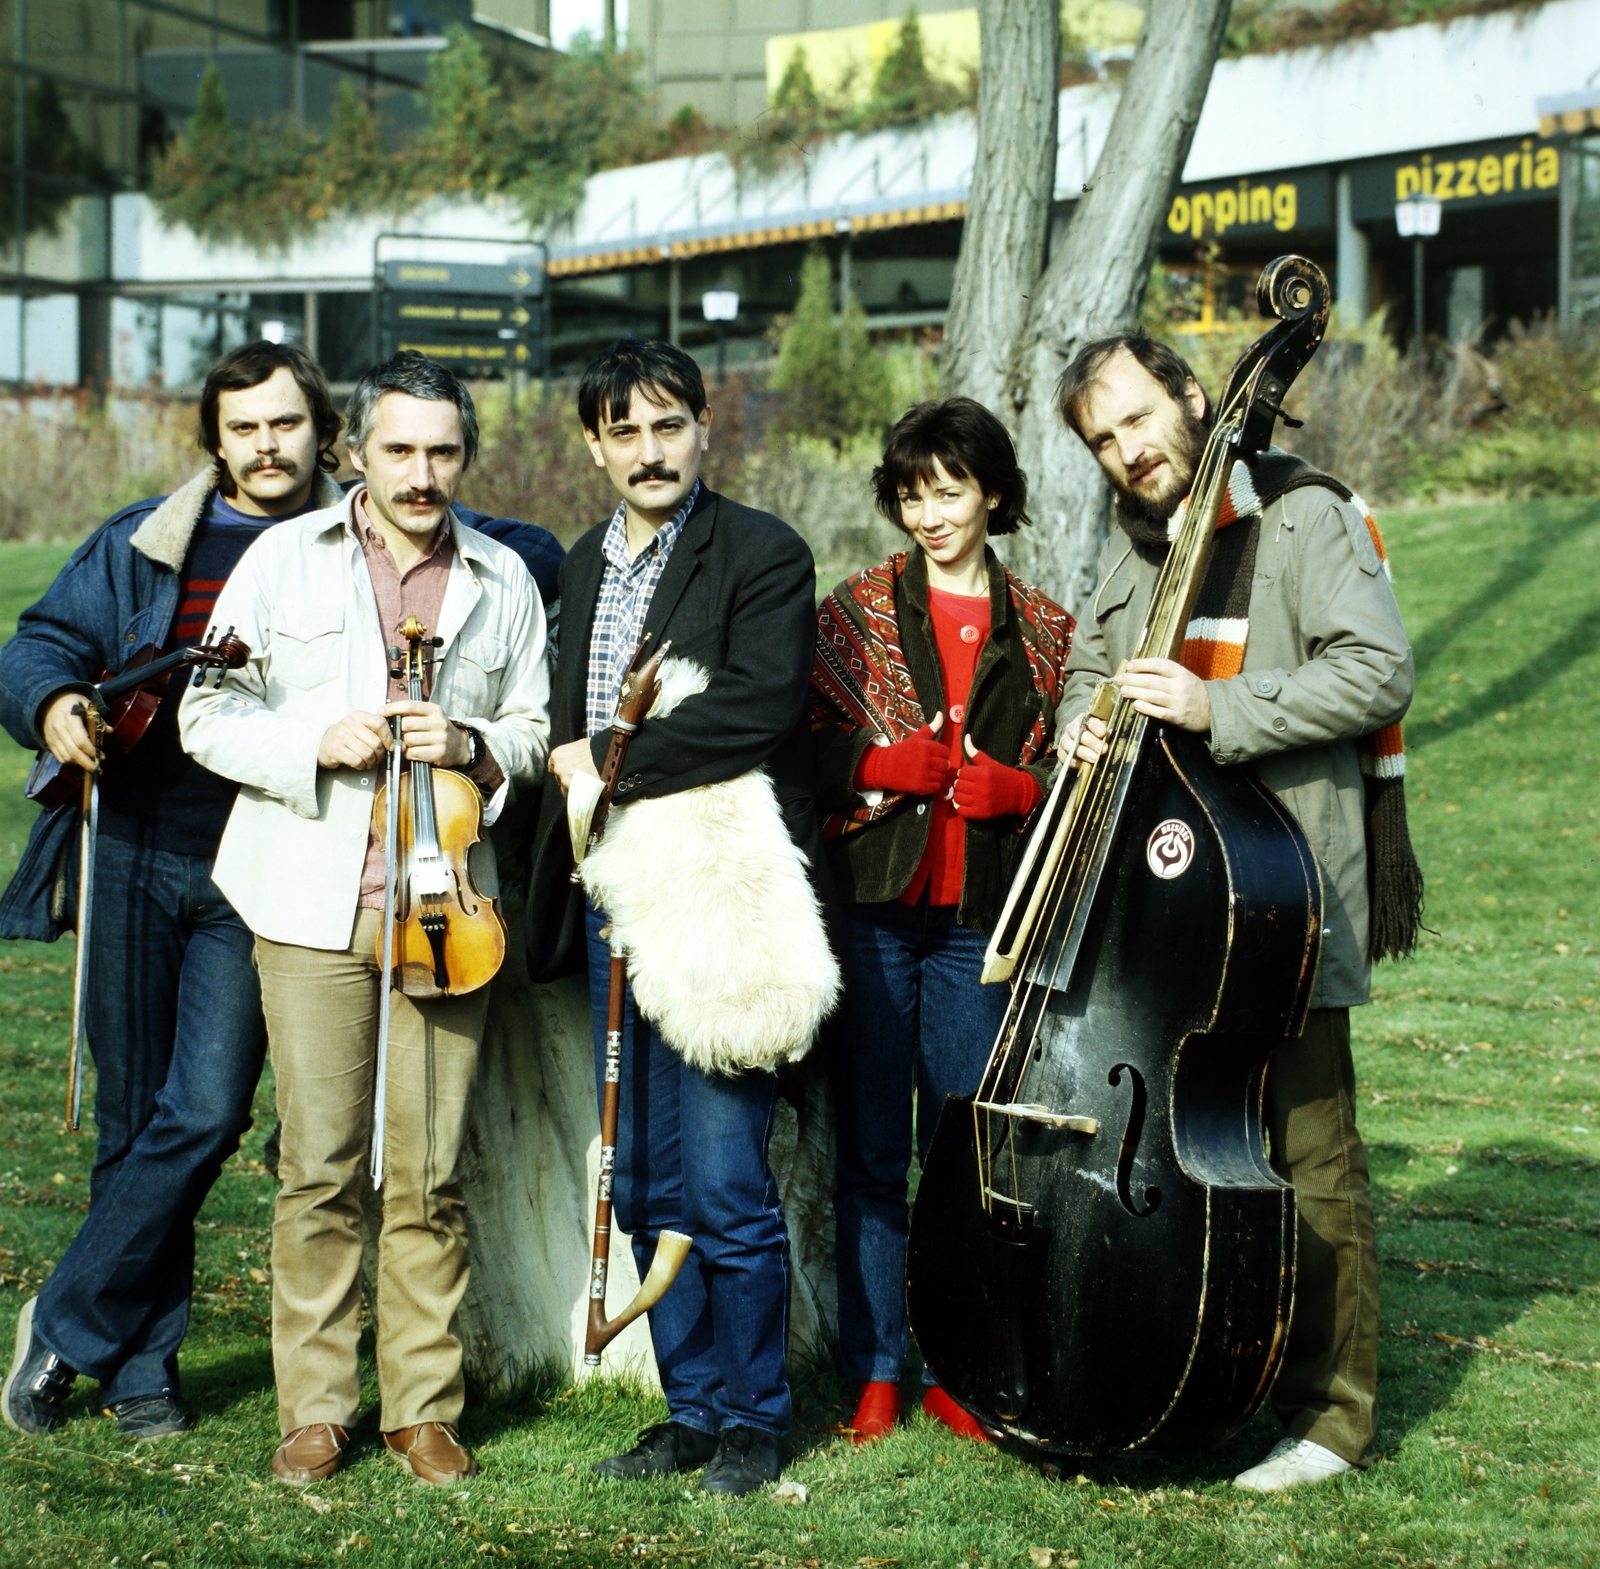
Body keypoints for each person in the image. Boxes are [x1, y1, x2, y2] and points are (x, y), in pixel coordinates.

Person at [1054, 330, 1418, 1493]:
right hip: (1162, 905)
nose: (1124, 451)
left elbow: (1376, 671)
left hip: (1280, 894)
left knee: (1311, 1157)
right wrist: (1081, 722)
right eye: (1101, 439)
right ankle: (1220, 1374)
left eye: (1136, 419)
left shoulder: (1302, 514)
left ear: (1192, 397)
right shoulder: (1129, 552)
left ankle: (1332, 1420)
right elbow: (1084, 672)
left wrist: (1219, 706)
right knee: (1200, 1155)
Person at [179, 352, 550, 1488]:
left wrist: (479, 748)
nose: (422, 471)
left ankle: (423, 1407)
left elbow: (533, 725)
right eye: (400, 448)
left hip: (448, 910)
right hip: (308, 900)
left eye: (443, 450)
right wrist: (311, 743)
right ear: (357, 452)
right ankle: (318, 1408)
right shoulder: (284, 561)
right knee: (320, 1168)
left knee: (430, 1173)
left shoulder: (504, 574)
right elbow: (207, 710)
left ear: (465, 455)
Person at [0, 340, 347, 1442]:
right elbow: (40, 642)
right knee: (129, 1115)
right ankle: (142, 1366)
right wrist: (54, 700)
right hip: (135, 850)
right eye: (243, 427)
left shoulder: (352, 541)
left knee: (202, 1113)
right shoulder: (147, 541)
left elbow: (485, 549)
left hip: (265, 865)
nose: (266, 445)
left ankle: (61, 1322)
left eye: (284, 423)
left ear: (319, 429)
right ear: (216, 440)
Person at [529, 338, 826, 1497]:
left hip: (714, 900)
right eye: (623, 432)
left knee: (724, 1183)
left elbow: (755, 709)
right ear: (594, 444)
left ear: (705, 428)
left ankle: (755, 1419)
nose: (648, 452)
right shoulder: (578, 568)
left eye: (668, 426)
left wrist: (612, 756)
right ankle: (691, 1411)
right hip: (617, 904)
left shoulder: (760, 551)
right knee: (646, 1182)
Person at [810, 399, 1072, 1444]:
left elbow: (1079, 772)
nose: (929, 512)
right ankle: (876, 1368)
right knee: (872, 1154)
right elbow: (799, 744)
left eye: (950, 489)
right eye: (912, 492)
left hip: (981, 925)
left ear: (993, 492)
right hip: (876, 915)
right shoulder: (856, 611)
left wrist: (1023, 793)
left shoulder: (1046, 629)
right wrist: (876, 765)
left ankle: (956, 1371)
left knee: (964, 1159)